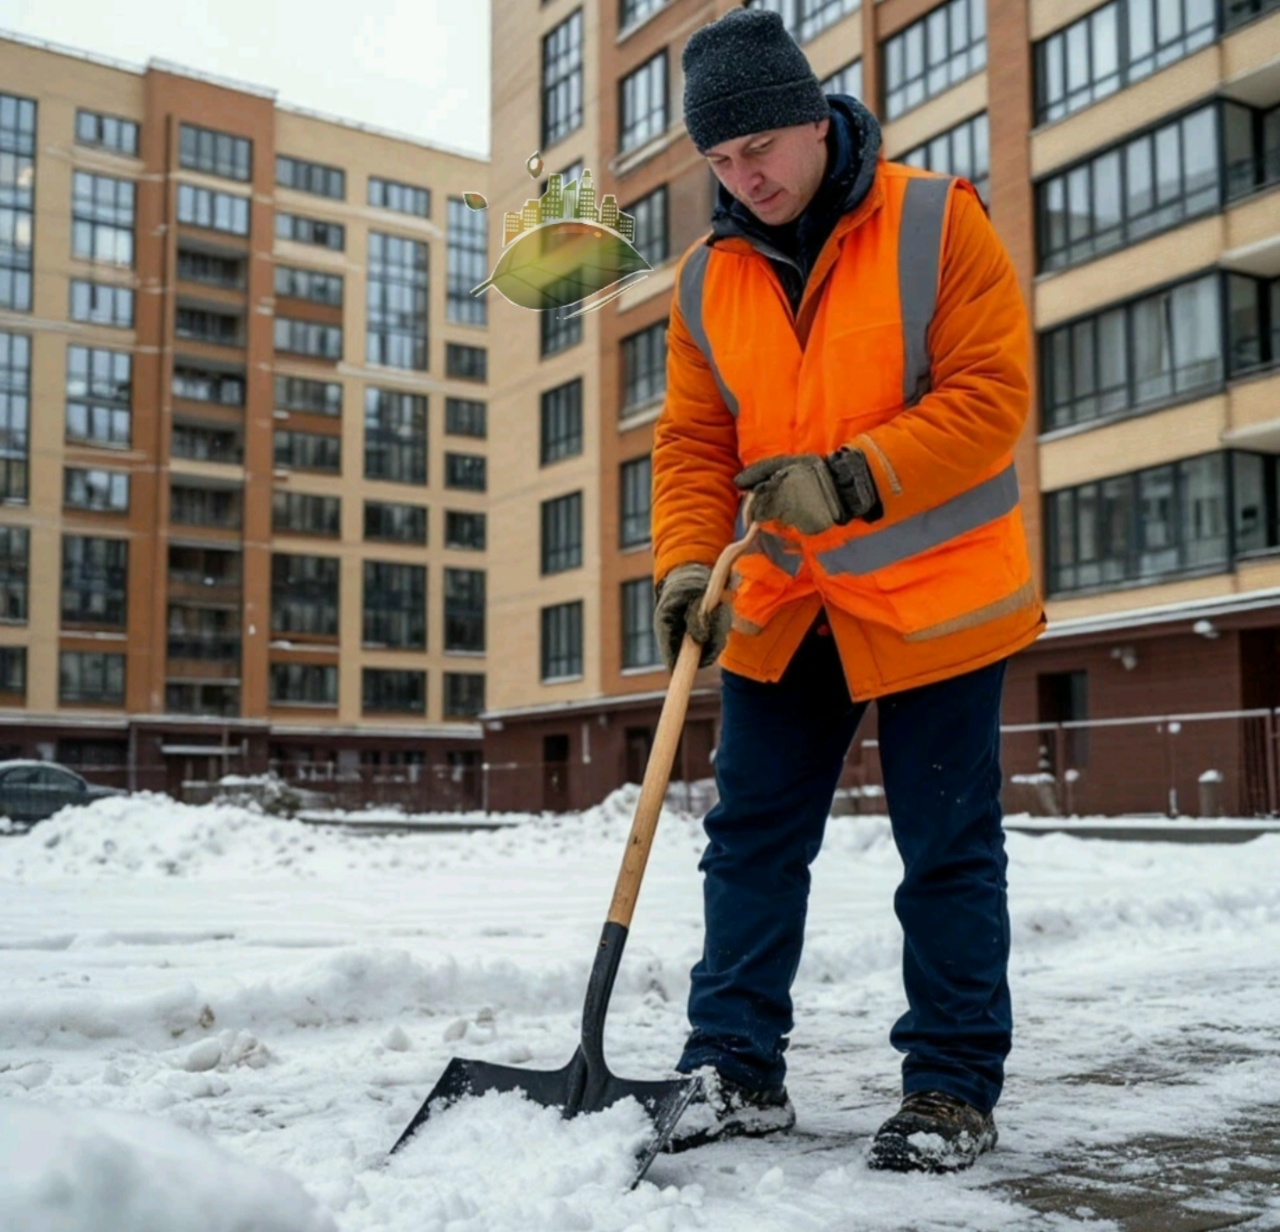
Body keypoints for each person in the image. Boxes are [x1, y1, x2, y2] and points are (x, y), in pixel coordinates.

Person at [651, 8, 1045, 1173]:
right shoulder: (703, 278)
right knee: (749, 841)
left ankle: (950, 1087)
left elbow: (988, 396)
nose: (744, 176)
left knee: (946, 845)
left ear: (814, 118)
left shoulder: (935, 220)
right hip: (783, 603)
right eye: (720, 161)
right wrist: (683, 559)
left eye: (759, 146)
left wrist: (853, 477)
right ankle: (733, 1062)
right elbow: (689, 445)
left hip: (933, 601)